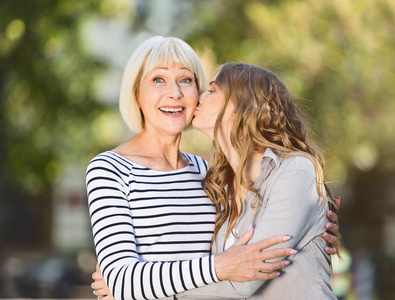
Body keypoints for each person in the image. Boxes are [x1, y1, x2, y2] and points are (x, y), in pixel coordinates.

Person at [88, 37, 341, 299]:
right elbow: (120, 277)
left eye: (186, 80)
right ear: (135, 92)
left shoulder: (209, 174)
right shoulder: (110, 169)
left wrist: (319, 225)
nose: (175, 92)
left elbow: (251, 250)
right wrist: (219, 268)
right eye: (158, 80)